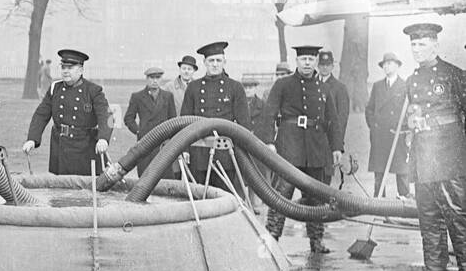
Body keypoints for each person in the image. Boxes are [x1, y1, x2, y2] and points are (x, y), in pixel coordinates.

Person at [255, 45, 343, 253]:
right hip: (289, 147)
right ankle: (272, 238)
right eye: (303, 59)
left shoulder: (324, 88)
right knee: (281, 195)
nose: (307, 63)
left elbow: (333, 120)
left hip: (316, 149)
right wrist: (269, 141)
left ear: (316, 62)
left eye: (311, 60)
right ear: (297, 61)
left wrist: (336, 147)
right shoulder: (283, 84)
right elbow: (269, 113)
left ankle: (316, 240)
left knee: (316, 198)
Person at [400, 24, 466, 271]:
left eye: (423, 43)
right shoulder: (411, 79)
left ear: (435, 45)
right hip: (423, 152)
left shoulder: (454, 75)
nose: (417, 48)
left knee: (457, 214)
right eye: (414, 44)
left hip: (448, 153)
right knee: (427, 214)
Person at [22, 48, 112, 176]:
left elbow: (107, 116)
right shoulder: (55, 89)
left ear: (81, 70)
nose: (65, 71)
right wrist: (32, 139)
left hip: (85, 149)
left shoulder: (93, 91)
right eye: (63, 67)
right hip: (61, 148)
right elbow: (41, 115)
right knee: (60, 190)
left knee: (84, 191)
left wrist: (103, 139)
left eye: (70, 67)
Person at [180, 41, 251, 195]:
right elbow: (184, 121)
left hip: (225, 153)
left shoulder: (235, 87)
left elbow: (244, 124)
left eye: (218, 60)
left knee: (224, 197)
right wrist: (185, 150)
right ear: (204, 62)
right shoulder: (194, 88)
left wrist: (242, 153)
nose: (215, 64)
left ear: (224, 62)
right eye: (211, 61)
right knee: (199, 196)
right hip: (199, 152)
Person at [365, 51, 410, 198]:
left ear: (397, 66)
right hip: (380, 136)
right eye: (384, 64)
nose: (387, 66)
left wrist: (402, 127)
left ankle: (404, 203)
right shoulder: (377, 86)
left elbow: (409, 110)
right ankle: (379, 205)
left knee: (402, 171)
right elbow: (369, 109)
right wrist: (374, 127)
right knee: (379, 172)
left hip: (397, 135)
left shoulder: (405, 86)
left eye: (390, 63)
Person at [123, 66, 177, 178]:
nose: (155, 81)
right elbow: (128, 118)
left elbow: (173, 120)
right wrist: (139, 131)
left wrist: (169, 139)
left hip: (163, 144)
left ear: (161, 79)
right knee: (145, 179)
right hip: (145, 144)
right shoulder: (137, 97)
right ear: (146, 79)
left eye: (157, 77)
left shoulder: (168, 96)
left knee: (165, 178)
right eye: (152, 78)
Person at [318, 49, 350, 182]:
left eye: (328, 64)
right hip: (312, 140)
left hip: (328, 140)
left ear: (332, 66)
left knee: (325, 178)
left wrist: (337, 144)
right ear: (317, 66)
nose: (325, 67)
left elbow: (341, 118)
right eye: (322, 64)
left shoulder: (339, 88)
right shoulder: (311, 84)